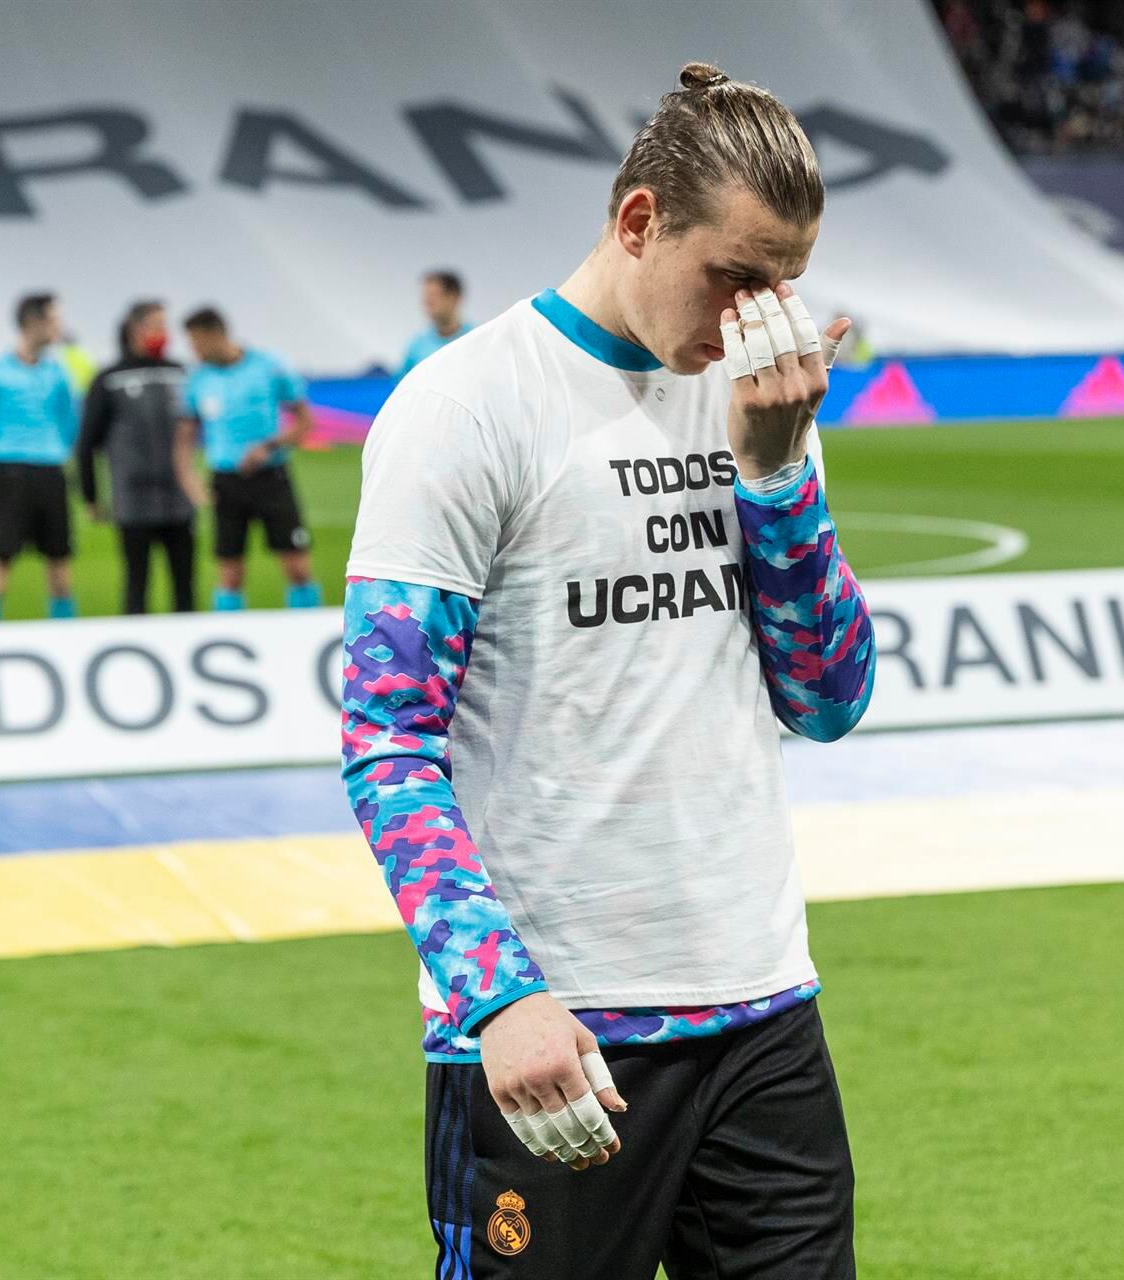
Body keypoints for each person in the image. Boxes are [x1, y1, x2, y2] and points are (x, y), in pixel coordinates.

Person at [341, 61, 876, 1277]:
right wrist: (497, 995)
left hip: (763, 1006)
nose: (761, 319)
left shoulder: (758, 399)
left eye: (785, 285)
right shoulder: (468, 405)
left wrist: (779, 473)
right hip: (558, 1028)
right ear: (639, 220)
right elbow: (386, 735)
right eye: (736, 277)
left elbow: (830, 699)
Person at [175, 308, 321, 609]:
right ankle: (228, 637)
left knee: (298, 568)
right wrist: (189, 480)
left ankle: (306, 631)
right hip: (226, 483)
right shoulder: (198, 380)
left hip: (271, 477)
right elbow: (184, 439)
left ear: (216, 335)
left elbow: (305, 423)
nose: (195, 351)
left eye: (198, 343)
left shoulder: (268, 366)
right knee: (229, 574)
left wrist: (268, 446)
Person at [0, 292, 79, 622]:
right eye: (54, 319)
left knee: (60, 564)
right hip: (10, 472)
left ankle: (68, 640)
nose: (59, 327)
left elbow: (69, 423)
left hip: (50, 471)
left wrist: (55, 453)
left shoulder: (58, 373)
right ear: (32, 322)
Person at [77, 300, 196, 614]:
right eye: (156, 325)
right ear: (135, 329)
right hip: (133, 499)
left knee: (185, 586)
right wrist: (90, 495)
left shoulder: (179, 373)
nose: (162, 333)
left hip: (178, 497)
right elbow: (87, 441)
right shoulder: (109, 379)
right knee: (137, 583)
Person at [398, 269, 472, 374]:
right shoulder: (416, 347)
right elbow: (402, 387)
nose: (427, 302)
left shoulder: (476, 340)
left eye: (434, 295)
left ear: (454, 297)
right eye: (426, 296)